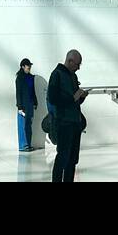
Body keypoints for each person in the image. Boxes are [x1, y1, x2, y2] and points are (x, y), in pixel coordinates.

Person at [47, 49, 87, 182]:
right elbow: (52, 99)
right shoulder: (56, 74)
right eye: (77, 64)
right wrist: (73, 97)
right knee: (63, 156)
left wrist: (81, 97)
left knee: (73, 159)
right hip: (64, 122)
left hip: (75, 122)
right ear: (70, 61)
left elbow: (75, 100)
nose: (78, 68)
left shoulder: (73, 76)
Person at [15, 58, 37, 152]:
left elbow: (33, 90)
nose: (29, 68)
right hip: (23, 105)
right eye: (28, 66)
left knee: (29, 125)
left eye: (30, 66)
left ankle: (28, 144)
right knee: (22, 125)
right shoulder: (19, 78)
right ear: (23, 66)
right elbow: (18, 93)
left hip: (30, 104)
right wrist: (19, 107)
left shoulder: (31, 77)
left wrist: (35, 101)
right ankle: (23, 145)